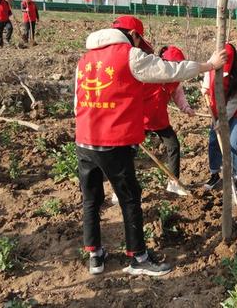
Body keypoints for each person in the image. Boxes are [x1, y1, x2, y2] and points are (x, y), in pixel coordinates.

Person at [75, 15, 227, 276]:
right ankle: (139, 258)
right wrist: (209, 65)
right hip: (113, 141)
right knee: (130, 199)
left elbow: (77, 101)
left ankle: (96, 256)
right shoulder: (129, 55)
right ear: (133, 35)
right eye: (138, 39)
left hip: (84, 140)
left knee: (91, 200)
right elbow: (171, 70)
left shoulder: (85, 59)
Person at [143, 45, 196, 196]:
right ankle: (120, 189)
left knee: (173, 146)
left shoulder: (175, 80)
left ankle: (174, 183)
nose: (175, 69)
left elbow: (179, 95)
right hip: (142, 119)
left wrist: (186, 108)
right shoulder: (149, 74)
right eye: (173, 65)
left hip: (159, 119)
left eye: (178, 65)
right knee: (128, 152)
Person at [201, 43, 237, 194]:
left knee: (233, 143)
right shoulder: (212, 65)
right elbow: (207, 77)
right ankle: (215, 174)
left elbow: (234, 103)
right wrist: (205, 88)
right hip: (217, 107)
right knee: (214, 141)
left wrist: (222, 121)